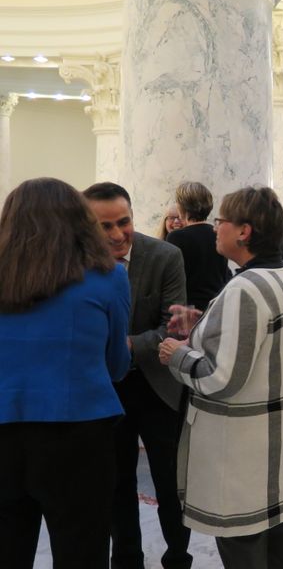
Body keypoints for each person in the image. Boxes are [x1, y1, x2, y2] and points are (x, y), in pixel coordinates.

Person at [158, 187, 283, 569]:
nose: (215, 228)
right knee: (280, 536)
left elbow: (222, 380)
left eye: (221, 221)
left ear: (244, 231)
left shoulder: (246, 288)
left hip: (242, 451)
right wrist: (203, 325)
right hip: (275, 437)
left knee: (243, 544)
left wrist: (178, 356)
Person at [0, 178, 131, 569]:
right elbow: (116, 366)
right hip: (78, 434)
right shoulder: (109, 278)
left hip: (4, 433)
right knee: (82, 552)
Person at [83, 182, 191, 569]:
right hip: (105, 391)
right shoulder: (75, 263)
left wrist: (126, 346)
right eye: (104, 226)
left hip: (157, 388)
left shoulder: (165, 255)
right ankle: (127, 559)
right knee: (116, 483)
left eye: (123, 222)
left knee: (170, 482)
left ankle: (178, 556)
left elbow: (176, 328)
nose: (116, 234)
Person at [166, 181, 231, 311]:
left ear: (182, 206)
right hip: (216, 306)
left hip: (189, 311)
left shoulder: (176, 237)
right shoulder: (217, 233)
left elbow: (170, 279)